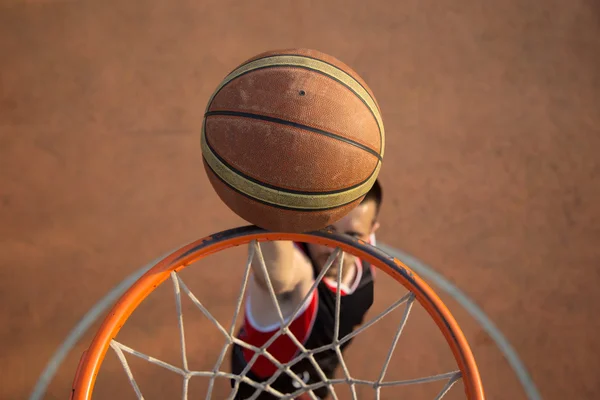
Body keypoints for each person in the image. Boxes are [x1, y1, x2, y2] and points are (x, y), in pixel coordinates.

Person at [230, 180, 383, 399]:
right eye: (327, 230)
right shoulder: (299, 276)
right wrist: (266, 193)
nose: (336, 249)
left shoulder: (365, 252)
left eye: (351, 236)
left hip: (317, 377)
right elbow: (278, 276)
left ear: (371, 231)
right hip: (262, 389)